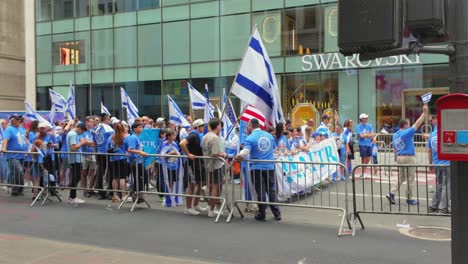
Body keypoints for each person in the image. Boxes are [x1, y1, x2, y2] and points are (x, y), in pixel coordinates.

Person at [236, 118, 281, 221]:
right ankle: (277, 213)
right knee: (271, 190)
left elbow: (246, 151)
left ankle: (262, 213)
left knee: (260, 191)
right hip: (269, 166)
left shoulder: (250, 138)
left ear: (251, 126)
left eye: (248, 125)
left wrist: (237, 157)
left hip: (257, 167)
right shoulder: (269, 136)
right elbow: (274, 150)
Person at [386, 104, 428, 205]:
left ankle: (391, 193)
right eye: (408, 124)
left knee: (401, 177)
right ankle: (409, 198)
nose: (409, 125)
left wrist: (396, 157)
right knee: (410, 178)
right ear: (405, 125)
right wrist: (424, 113)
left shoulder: (396, 134)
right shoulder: (406, 133)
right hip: (408, 157)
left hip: (400, 157)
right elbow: (417, 124)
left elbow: (394, 147)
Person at [179, 119, 206, 215]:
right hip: (192, 164)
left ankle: (196, 204)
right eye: (202, 126)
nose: (204, 127)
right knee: (191, 185)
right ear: (197, 127)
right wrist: (188, 154)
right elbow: (182, 143)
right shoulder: (193, 135)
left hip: (199, 163)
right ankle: (188, 207)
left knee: (199, 184)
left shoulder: (199, 135)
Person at [201, 118, 227, 218]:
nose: (221, 127)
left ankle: (210, 207)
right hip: (216, 165)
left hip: (208, 164)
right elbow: (215, 153)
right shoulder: (215, 138)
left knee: (213, 185)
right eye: (220, 125)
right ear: (217, 126)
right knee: (215, 187)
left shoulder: (205, 136)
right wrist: (223, 154)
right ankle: (211, 210)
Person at [427, 115, 450, 214]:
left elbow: (429, 150)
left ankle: (434, 205)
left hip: (437, 163)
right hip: (447, 163)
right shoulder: (446, 132)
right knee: (447, 185)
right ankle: (443, 207)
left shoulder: (432, 134)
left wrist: (430, 164)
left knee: (438, 184)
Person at [1, 114, 27, 196]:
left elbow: (25, 141)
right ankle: (16, 189)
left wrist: (26, 151)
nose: (19, 120)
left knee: (19, 172)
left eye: (20, 119)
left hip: (22, 155)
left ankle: (18, 189)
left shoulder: (22, 129)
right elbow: (5, 139)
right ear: (12, 120)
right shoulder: (9, 129)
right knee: (18, 171)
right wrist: (4, 148)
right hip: (12, 155)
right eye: (17, 119)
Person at [92, 113, 115, 200]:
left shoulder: (95, 129)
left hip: (99, 153)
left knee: (100, 172)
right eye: (109, 119)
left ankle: (101, 193)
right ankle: (109, 191)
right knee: (108, 173)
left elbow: (94, 142)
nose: (109, 121)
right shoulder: (108, 129)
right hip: (107, 153)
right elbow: (113, 140)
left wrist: (95, 152)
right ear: (106, 119)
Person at [107, 123, 130, 203]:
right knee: (122, 178)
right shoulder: (125, 137)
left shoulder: (111, 137)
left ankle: (115, 195)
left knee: (115, 177)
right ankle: (123, 196)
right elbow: (128, 148)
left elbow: (108, 147)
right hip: (122, 158)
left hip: (113, 159)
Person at [126, 122, 148, 203]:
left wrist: (142, 152)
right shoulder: (133, 137)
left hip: (139, 161)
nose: (141, 128)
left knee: (142, 177)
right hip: (135, 161)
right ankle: (135, 194)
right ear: (135, 129)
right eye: (139, 127)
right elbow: (129, 149)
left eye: (141, 127)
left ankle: (138, 194)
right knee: (139, 178)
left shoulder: (139, 138)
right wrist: (140, 152)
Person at [66, 122, 87, 205]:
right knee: (76, 177)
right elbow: (73, 147)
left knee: (76, 177)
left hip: (76, 159)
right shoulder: (73, 134)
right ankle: (72, 197)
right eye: (81, 132)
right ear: (79, 128)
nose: (81, 134)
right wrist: (82, 142)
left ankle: (72, 196)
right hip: (75, 159)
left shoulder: (73, 134)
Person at [81, 116, 97, 197]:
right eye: (91, 121)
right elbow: (84, 142)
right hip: (84, 154)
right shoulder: (83, 132)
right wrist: (92, 143)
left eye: (93, 121)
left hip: (93, 154)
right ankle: (84, 189)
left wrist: (90, 142)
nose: (93, 123)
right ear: (86, 122)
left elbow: (96, 141)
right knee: (84, 172)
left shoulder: (94, 131)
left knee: (93, 172)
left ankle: (90, 188)